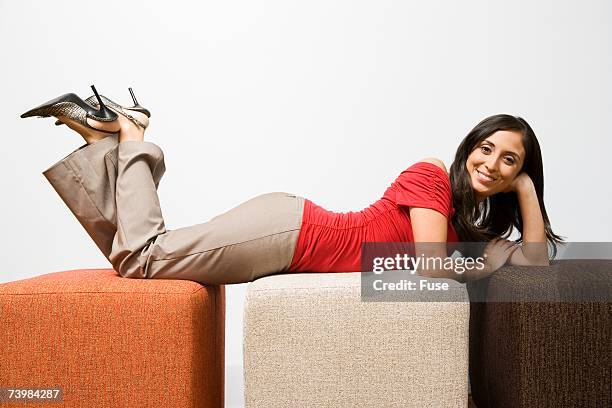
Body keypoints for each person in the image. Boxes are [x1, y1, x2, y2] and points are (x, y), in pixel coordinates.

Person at [21, 85, 564, 285]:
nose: (491, 164)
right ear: (469, 147)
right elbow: (426, 264)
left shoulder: (465, 228)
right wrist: (485, 262)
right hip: (291, 232)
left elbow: (536, 261)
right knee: (142, 258)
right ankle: (134, 134)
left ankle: (102, 143)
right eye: (486, 148)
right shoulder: (431, 178)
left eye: (509, 161)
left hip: (290, 232)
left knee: (133, 258)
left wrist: (528, 193)